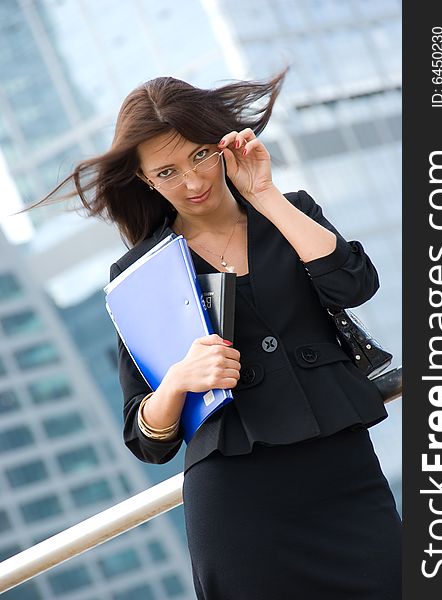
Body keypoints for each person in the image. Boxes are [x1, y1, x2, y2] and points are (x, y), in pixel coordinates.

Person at [33, 67, 402, 599]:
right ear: (144, 181)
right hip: (238, 501)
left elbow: (354, 283)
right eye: (167, 172)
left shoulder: (290, 211)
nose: (191, 181)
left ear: (223, 145)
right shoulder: (142, 276)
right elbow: (144, 436)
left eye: (200, 156)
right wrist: (180, 380)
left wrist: (266, 195)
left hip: (342, 473)